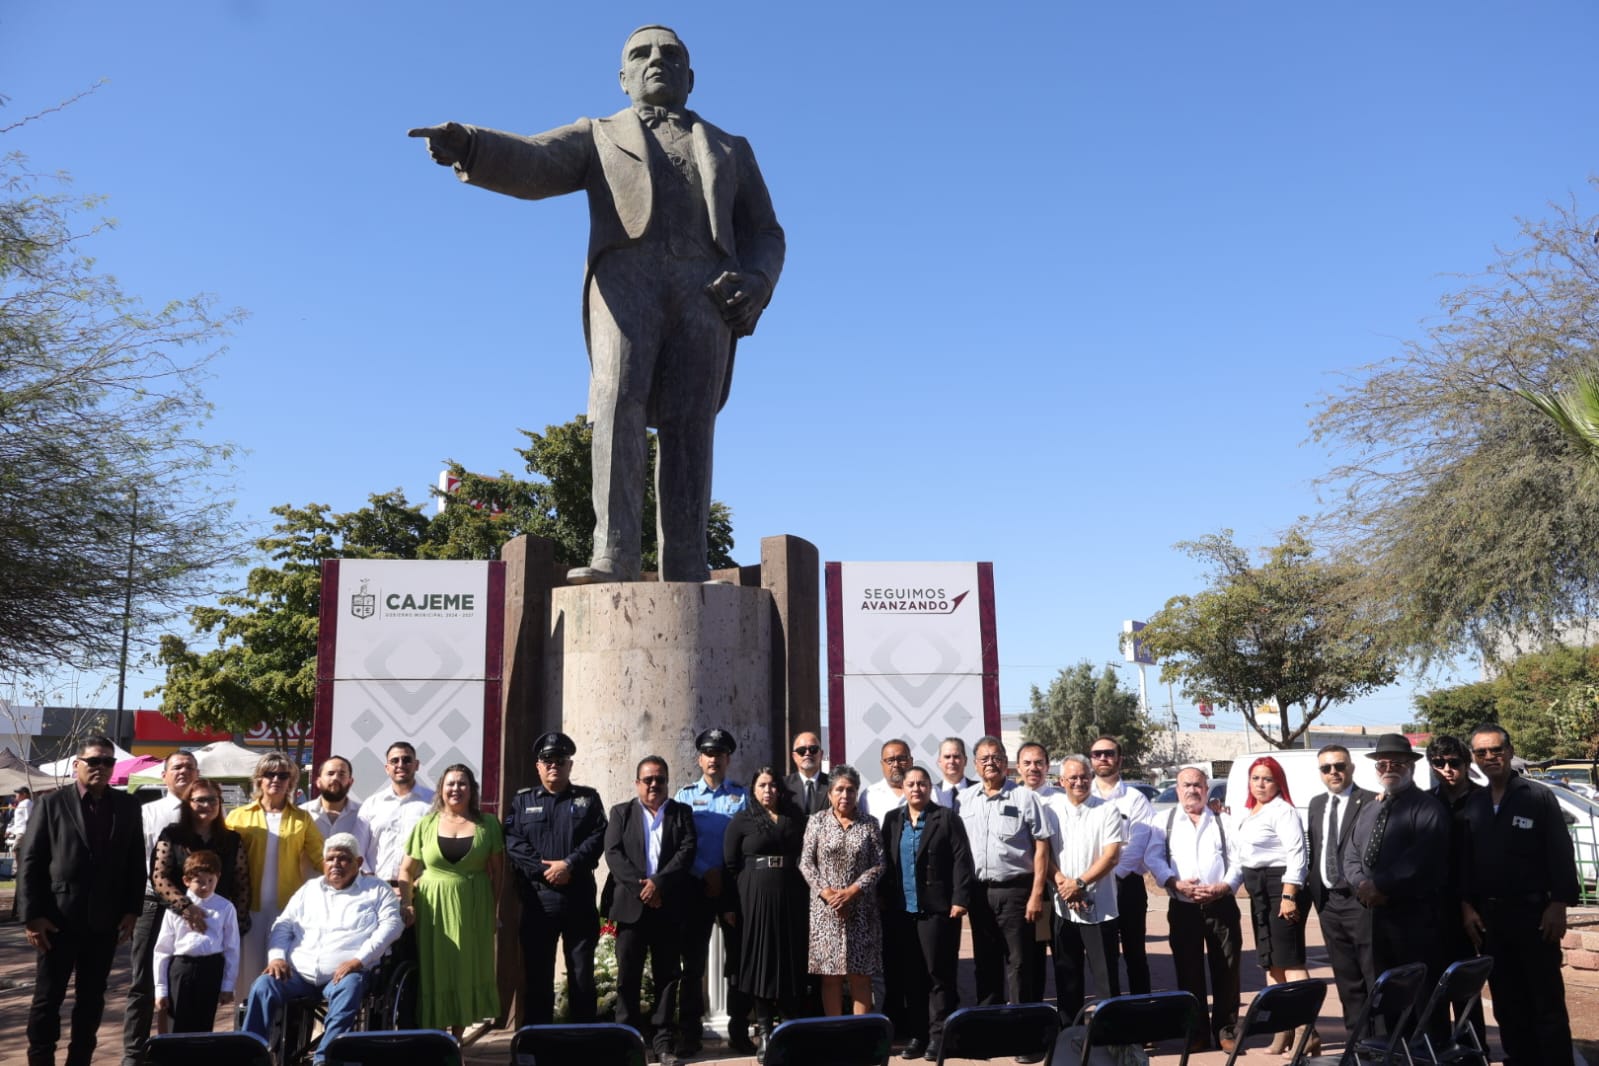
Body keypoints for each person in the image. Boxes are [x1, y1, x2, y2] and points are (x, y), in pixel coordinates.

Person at [408, 23, 784, 585]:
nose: (656, 60)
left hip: (706, 291)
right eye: (641, 54)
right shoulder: (600, 135)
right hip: (625, 282)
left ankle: (687, 564)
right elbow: (536, 161)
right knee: (616, 404)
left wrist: (758, 280)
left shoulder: (732, 148)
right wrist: (472, 144)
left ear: (690, 77)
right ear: (623, 77)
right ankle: (614, 553)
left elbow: (766, 231)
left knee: (691, 422)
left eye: (670, 54)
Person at [19, 735, 147, 1066]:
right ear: (77, 764)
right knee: (47, 999)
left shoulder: (128, 806)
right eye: (94, 761)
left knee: (91, 1000)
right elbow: (30, 861)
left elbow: (136, 862)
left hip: (104, 923)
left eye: (108, 761)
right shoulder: (51, 803)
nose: (101, 767)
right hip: (56, 922)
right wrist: (32, 916)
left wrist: (132, 910)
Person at [1460, 723, 1579, 1066]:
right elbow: (1466, 861)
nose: (1490, 757)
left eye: (1496, 750)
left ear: (1509, 752)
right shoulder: (1475, 803)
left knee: (1546, 1003)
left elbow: (1560, 852)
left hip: (1535, 917)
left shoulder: (1536, 796)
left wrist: (1558, 904)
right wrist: (1466, 907)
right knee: (1507, 1003)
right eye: (1481, 752)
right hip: (1491, 922)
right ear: (1474, 759)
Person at [240, 834, 404, 1064]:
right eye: (330, 858)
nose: (336, 864)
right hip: (298, 973)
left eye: (343, 858)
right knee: (263, 985)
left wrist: (358, 960)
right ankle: (250, 1055)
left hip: (346, 974)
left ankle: (325, 1058)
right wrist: (276, 957)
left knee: (350, 986)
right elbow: (283, 925)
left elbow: (392, 926)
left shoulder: (377, 889)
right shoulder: (309, 889)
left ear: (358, 862)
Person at [1342, 734, 1451, 1046]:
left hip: (1416, 918)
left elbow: (1422, 857)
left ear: (1411, 767)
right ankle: (1396, 1052)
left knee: (1423, 997)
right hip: (1378, 920)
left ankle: (1428, 1053)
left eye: (1397, 763)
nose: (1389, 769)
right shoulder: (1370, 810)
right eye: (1382, 764)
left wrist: (1380, 884)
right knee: (1390, 995)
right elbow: (1351, 854)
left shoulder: (1427, 808)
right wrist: (1361, 884)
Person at [503, 732, 607, 1026]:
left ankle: (583, 1040)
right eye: (547, 760)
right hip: (538, 901)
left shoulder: (588, 799)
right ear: (538, 766)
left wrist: (569, 865)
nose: (553, 766)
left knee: (582, 976)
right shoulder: (522, 801)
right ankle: (537, 1042)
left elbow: (599, 836)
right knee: (537, 978)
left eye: (560, 760)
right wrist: (544, 869)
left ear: (569, 765)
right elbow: (513, 842)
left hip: (578, 899)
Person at [397, 763, 504, 1034]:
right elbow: (406, 870)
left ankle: (457, 1038)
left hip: (474, 905)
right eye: (451, 783)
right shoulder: (426, 824)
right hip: (433, 908)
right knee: (436, 969)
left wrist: (493, 911)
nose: (456, 788)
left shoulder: (488, 824)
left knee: (466, 968)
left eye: (462, 783)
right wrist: (407, 902)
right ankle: (435, 1037)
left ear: (472, 789)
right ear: (441, 789)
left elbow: (498, 872)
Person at [605, 755, 698, 1066]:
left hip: (668, 907)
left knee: (668, 978)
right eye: (648, 779)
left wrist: (659, 884)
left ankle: (663, 1044)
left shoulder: (681, 813)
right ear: (637, 783)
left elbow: (687, 850)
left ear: (667, 782)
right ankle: (627, 1043)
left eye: (660, 779)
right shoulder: (621, 813)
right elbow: (613, 854)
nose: (654, 784)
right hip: (631, 909)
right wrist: (642, 889)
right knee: (627, 978)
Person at [879, 765, 973, 1061]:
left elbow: (962, 860)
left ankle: (939, 1036)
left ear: (930, 787)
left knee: (938, 975)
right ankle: (917, 1035)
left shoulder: (946, 818)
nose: (916, 789)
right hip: (902, 912)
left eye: (922, 783)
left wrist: (959, 899)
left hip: (937, 911)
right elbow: (884, 862)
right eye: (911, 784)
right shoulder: (892, 819)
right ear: (903, 788)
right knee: (912, 976)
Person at [1146, 767, 1243, 1055]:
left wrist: (1224, 886)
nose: (1192, 790)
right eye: (1186, 785)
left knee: (1227, 970)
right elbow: (1153, 857)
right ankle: (1196, 1033)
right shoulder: (1164, 821)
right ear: (1177, 790)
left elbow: (1239, 859)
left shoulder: (1223, 820)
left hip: (1221, 905)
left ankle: (1226, 1030)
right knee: (1188, 972)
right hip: (1183, 907)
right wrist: (1174, 883)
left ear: (1206, 789)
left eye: (1198, 785)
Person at [673, 727, 752, 1053]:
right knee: (692, 965)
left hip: (732, 887)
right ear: (699, 759)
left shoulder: (742, 796)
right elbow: (678, 842)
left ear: (728, 759)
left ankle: (739, 1031)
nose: (713, 759)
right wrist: (704, 871)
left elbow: (747, 842)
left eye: (719, 754)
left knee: (738, 962)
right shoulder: (685, 796)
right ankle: (689, 1034)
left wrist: (722, 873)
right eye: (708, 753)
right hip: (695, 886)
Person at [957, 737, 1050, 1015]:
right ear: (975, 765)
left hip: (1017, 893)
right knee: (985, 962)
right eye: (984, 759)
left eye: (996, 757)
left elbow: (1042, 847)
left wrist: (1036, 894)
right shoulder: (963, 801)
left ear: (1005, 762)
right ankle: (989, 1024)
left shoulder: (1025, 798)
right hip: (979, 894)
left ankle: (1023, 1025)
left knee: (1020, 963)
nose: (991, 763)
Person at [724, 766, 809, 1061]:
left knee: (788, 960)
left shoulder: (794, 817)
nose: (768, 790)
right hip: (754, 897)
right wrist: (730, 905)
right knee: (761, 962)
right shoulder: (742, 819)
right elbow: (730, 863)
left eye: (772, 785)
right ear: (753, 789)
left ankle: (789, 1030)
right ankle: (764, 1033)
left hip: (791, 896)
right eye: (762, 785)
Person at [124, 748, 198, 1066]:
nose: (183, 771)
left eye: (190, 767)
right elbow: (130, 861)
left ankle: (178, 1050)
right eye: (177, 767)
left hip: (193, 909)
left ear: (198, 774)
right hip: (152, 905)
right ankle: (134, 1054)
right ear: (164, 775)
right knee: (142, 983)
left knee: (185, 981)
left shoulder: (206, 812)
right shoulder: (147, 813)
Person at [225, 751, 325, 984]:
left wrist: (353, 877)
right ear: (259, 779)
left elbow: (321, 857)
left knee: (281, 972)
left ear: (291, 782)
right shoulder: (237, 817)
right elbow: (222, 860)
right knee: (246, 973)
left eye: (283, 775)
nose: (276, 779)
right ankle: (245, 1010)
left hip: (287, 908)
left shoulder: (302, 818)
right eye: (269, 774)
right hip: (247, 907)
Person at [1233, 755, 1310, 1055]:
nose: (1261, 784)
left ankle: (1306, 1031)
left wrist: (1289, 895)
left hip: (1281, 889)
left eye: (1267, 779)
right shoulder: (1251, 811)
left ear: (1279, 783)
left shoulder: (1283, 811)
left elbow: (1297, 854)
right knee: (1271, 962)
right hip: (1259, 892)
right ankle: (1283, 1029)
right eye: (1255, 778)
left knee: (1290, 961)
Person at [1044, 755, 1124, 1025]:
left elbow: (1111, 856)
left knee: (1106, 979)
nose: (1079, 782)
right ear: (1061, 781)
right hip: (1062, 906)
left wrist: (1078, 884)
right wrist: (1062, 884)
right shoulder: (1050, 809)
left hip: (1100, 908)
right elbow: (1042, 853)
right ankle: (1070, 1033)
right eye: (1073, 778)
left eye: (1084, 777)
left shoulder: (1107, 810)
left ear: (1091, 778)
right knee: (1067, 976)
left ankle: (1111, 1036)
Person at [799, 764, 884, 1016]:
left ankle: (859, 1031)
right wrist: (828, 894)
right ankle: (835, 1030)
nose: (845, 795)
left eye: (850, 790)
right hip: (826, 912)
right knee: (831, 977)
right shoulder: (817, 821)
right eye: (839, 790)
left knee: (860, 976)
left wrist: (853, 891)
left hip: (861, 909)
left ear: (857, 793)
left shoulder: (869, 824)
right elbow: (806, 863)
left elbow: (879, 864)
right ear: (830, 793)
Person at [1305, 743, 1375, 1037]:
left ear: (1351, 768)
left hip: (1360, 901)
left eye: (1339, 766)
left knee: (1372, 973)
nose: (1333, 772)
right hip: (1328, 903)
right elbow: (1315, 849)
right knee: (1346, 976)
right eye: (1326, 768)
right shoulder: (1316, 804)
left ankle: (1381, 1040)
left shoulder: (1371, 801)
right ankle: (1357, 1039)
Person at [1427, 733, 1486, 1048]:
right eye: (1439, 763)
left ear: (1466, 763)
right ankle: (1436, 1048)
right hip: (1435, 907)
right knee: (1434, 983)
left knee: (1466, 983)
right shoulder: (1426, 801)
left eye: (1454, 762)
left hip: (1474, 905)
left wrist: (1469, 902)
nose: (1447, 769)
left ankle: (1472, 1048)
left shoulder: (1483, 799)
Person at [1087, 735, 1155, 997]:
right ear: (1091, 760)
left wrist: (1111, 875)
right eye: (1097, 754)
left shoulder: (1135, 799)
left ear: (1119, 759)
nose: (1103, 758)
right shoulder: (1083, 796)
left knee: (1135, 954)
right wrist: (1092, 878)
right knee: (1104, 957)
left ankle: (1142, 1010)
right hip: (1092, 886)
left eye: (1109, 753)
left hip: (1127, 886)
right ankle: (1110, 1013)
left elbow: (1138, 844)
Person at [150, 777, 251, 953]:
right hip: (177, 920)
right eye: (200, 800)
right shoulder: (172, 835)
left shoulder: (232, 840)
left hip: (219, 919)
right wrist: (185, 907)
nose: (207, 805)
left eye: (213, 799)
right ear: (188, 803)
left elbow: (241, 882)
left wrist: (237, 922)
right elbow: (159, 876)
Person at [152, 849, 240, 1033]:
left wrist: (227, 985)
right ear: (186, 880)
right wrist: (161, 989)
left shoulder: (225, 907)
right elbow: (162, 950)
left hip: (210, 969)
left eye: (210, 881)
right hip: (182, 969)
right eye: (199, 881)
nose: (205, 887)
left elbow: (232, 948)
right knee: (177, 1025)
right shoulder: (176, 909)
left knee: (203, 1025)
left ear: (218, 878)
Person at [356, 740, 435, 885]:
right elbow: (357, 849)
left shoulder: (434, 803)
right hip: (376, 888)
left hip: (420, 888)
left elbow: (440, 850)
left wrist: (419, 883)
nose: (400, 765)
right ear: (387, 768)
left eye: (406, 760)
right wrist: (371, 881)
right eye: (394, 761)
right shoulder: (371, 804)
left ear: (416, 765)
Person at [1015, 742, 1058, 1005]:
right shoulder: (1012, 798)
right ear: (1018, 767)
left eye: (1039, 763)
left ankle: (1066, 1018)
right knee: (1031, 955)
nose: (1033, 768)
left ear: (1047, 766)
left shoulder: (1060, 801)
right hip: (1027, 892)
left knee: (1062, 954)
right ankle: (1035, 1011)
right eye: (1027, 763)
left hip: (1058, 890)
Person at [301, 756, 373, 874]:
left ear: (350, 782)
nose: (335, 778)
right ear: (318, 781)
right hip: (310, 884)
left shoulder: (363, 814)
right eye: (330, 773)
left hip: (352, 885)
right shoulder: (302, 814)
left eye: (341, 774)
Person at [859, 738, 911, 821]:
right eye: (890, 760)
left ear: (911, 761)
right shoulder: (869, 795)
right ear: (882, 764)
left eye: (901, 759)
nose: (896, 765)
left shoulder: (930, 792)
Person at [786, 732, 830, 815]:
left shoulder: (833, 784)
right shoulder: (783, 786)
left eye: (813, 749)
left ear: (821, 754)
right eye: (801, 751)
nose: (807, 753)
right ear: (794, 757)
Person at [933, 738, 977, 811]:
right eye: (947, 757)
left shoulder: (979, 791)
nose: (951, 761)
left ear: (965, 760)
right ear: (939, 762)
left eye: (956, 756)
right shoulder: (931, 794)